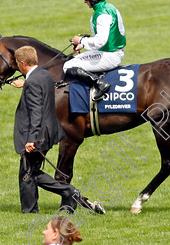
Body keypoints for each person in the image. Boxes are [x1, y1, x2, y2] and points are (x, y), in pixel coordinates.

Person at [12, 46, 105, 215]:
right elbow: (39, 88)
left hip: (38, 134)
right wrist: (25, 83)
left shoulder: (33, 81)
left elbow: (36, 112)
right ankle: (30, 209)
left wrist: (31, 138)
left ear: (23, 63)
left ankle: (69, 192)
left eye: (18, 64)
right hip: (50, 131)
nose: (17, 66)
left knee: (29, 171)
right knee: (28, 171)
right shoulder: (44, 74)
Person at [64, 0, 127, 102]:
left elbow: (100, 41)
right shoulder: (109, 7)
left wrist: (81, 41)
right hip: (111, 51)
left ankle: (100, 84)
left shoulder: (102, 15)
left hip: (110, 55)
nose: (84, 1)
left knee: (68, 66)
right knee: (71, 60)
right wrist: (84, 43)